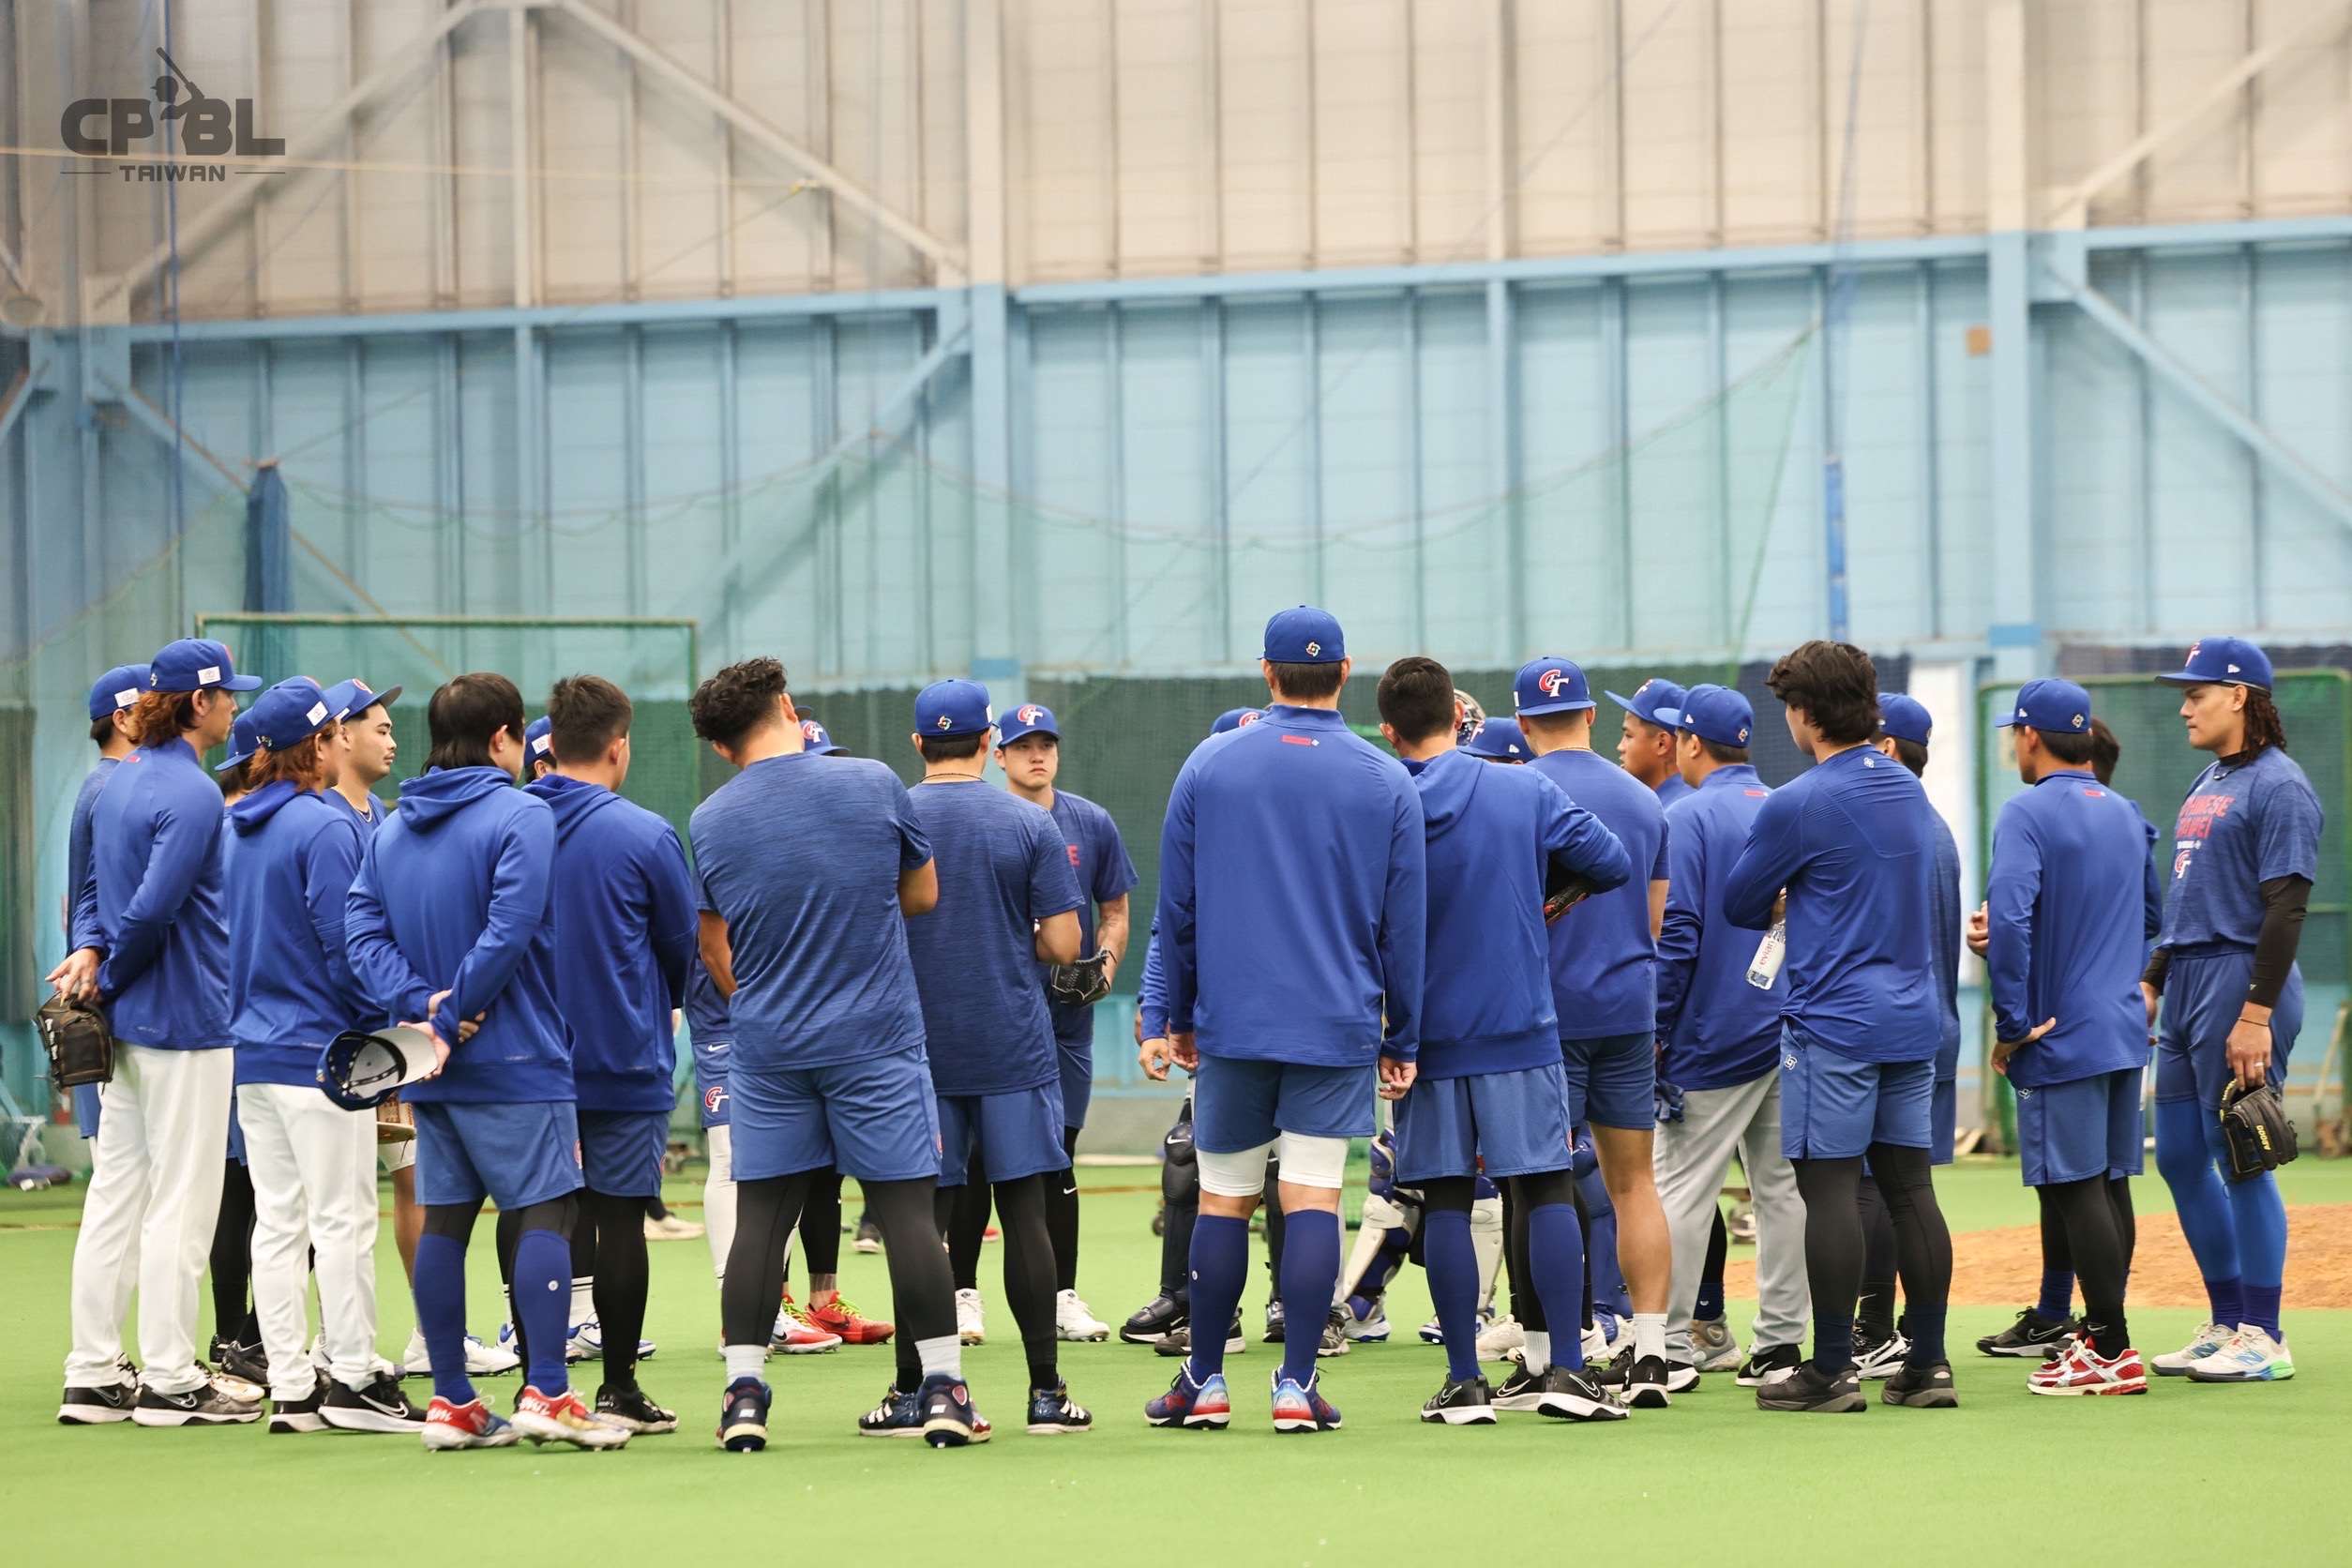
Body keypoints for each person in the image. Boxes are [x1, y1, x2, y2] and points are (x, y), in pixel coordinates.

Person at [1141, 607, 1425, 1434]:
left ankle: (1204, 1381)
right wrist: (1402, 1034)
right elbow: (1404, 926)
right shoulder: (1386, 779)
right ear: (1345, 673)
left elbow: (1178, 909)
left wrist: (1175, 1014)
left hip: (1233, 1021)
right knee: (1311, 1197)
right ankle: (1297, 1385)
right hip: (1335, 1024)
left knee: (1225, 1198)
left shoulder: (1211, 762)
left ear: (1267, 674)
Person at [687, 658, 981, 1451]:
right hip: (876, 1039)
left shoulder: (710, 820)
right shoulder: (873, 782)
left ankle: (743, 1397)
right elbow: (922, 893)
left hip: (768, 1046)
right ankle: (945, 1391)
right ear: (787, 707)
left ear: (721, 747)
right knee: (907, 1214)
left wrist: (768, 993)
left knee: (760, 1220)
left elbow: (715, 950)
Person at [345, 671, 622, 1451]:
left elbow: (360, 930)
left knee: (446, 1221)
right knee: (548, 1212)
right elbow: (511, 927)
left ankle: (453, 1402)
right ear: (503, 738)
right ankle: (550, 1393)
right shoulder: (522, 812)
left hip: (432, 1066)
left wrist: (423, 1007)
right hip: (517, 1055)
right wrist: (450, 1009)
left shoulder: (390, 828)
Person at [1377, 656, 1631, 1424]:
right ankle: (1568, 1372)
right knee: (1547, 1185)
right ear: (1461, 718)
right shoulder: (1524, 788)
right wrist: (1545, 900)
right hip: (1520, 1024)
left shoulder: (1381, 799)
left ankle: (1465, 1382)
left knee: (1447, 1201)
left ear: (1388, 732)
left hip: (1426, 1036)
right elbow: (1610, 863)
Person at [1725, 641, 1956, 1414]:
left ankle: (1830, 1370)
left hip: (1835, 1023)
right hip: (1913, 1017)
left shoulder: (1799, 800)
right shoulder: (1909, 790)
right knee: (1910, 1189)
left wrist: (1794, 893)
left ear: (1803, 714)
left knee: (1828, 1190)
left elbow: (1738, 902)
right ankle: (1928, 1365)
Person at [52, 640, 261, 1426]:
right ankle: (172, 1377)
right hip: (184, 1020)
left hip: (127, 1026)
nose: (234, 705)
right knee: (182, 1199)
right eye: (227, 694)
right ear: (198, 703)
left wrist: (91, 953)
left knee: (117, 1193)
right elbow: (152, 910)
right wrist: (108, 969)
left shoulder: (118, 779)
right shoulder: (194, 792)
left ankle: (93, 1371)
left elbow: (94, 895)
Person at [221, 678, 425, 1434]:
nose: (345, 738)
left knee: (279, 1223)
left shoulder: (235, 826)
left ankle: (292, 1387)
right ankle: (354, 1378)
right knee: (342, 1221)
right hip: (324, 1055)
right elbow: (349, 952)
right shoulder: (326, 827)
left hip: (255, 1055)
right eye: (336, 731)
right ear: (318, 744)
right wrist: (386, 1037)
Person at [899, 680, 1093, 1435]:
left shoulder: (894, 815)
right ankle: (1045, 1394)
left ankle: (914, 1391)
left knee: (921, 1220)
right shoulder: (1028, 822)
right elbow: (1065, 944)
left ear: (918, 744)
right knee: (1023, 1214)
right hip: (1012, 1042)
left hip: (915, 1048)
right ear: (989, 743)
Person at [2141, 638, 2318, 1384]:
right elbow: (2187, 897)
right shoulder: (2210, 778)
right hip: (2188, 978)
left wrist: (2256, 1013)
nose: (2185, 708)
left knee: (2241, 1153)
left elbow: (2287, 907)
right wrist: (2154, 978)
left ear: (2239, 696)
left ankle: (2266, 1335)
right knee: (2180, 1157)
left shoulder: (2280, 786)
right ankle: (2226, 1321)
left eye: (2198, 694)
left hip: (2241, 977)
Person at [524, 674, 698, 1433]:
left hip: (526, 1060)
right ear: (618, 747)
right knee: (620, 1221)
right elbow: (682, 949)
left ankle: (539, 1385)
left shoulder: (510, 822)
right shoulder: (645, 833)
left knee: (539, 1214)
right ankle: (618, 1388)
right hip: (623, 1056)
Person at [1981, 680, 2163, 1395]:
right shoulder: (2125, 810)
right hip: (2120, 1025)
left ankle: (2110, 1348)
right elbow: (2150, 917)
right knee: (2110, 1184)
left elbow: (2010, 920)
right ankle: (2098, 1334)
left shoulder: (2026, 811)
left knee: (2076, 1188)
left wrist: (2011, 1024)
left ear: (2031, 736)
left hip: (2060, 1031)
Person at [1514, 656, 1679, 1406]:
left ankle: (1551, 1355)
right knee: (1635, 1182)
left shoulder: (1518, 792)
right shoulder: (1645, 800)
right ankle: (1651, 1352)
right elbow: (1654, 920)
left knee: (1540, 1183)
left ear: (1523, 723)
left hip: (1546, 1013)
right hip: (1627, 1008)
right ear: (1588, 715)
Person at [1649, 684, 1811, 1390]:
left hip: (1712, 1034)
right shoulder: (1785, 806)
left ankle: (1669, 1346)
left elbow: (1677, 933)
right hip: (1789, 1026)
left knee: (1681, 1191)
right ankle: (1779, 1345)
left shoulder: (1686, 816)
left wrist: (1656, 1030)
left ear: (1690, 742)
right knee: (1783, 1193)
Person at [991, 701, 1138, 1345]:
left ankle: (1061, 1295)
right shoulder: (985, 818)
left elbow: (1116, 911)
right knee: (977, 1161)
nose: (1037, 755)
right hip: (997, 1010)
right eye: (1023, 745)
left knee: (1059, 1154)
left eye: (1046, 744)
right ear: (998, 755)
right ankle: (963, 1295)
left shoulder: (1091, 822)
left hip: (1066, 1019)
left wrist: (1104, 967)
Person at [1121, 708, 1264, 1351]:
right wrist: (1158, 1016)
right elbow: (1166, 933)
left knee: (1292, 1176)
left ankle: (1300, 1307)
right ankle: (1190, 1302)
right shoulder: (1199, 839)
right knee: (1187, 1157)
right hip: (1213, 1033)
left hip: (1285, 1030)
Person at [1846, 693, 1965, 1378]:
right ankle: (1914, 1336)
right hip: (1933, 1021)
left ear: (1887, 748)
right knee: (1908, 1189)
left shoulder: (1895, 829)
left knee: (1877, 1187)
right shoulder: (1934, 825)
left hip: (1890, 1030)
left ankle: (1874, 1330)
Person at [1608, 677, 1694, 807]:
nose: (1620, 747)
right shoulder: (1686, 799)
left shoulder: (1674, 811)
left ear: (1662, 744)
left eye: (1628, 736)